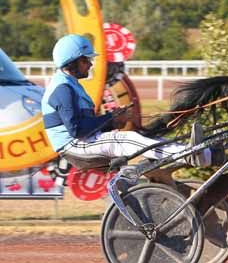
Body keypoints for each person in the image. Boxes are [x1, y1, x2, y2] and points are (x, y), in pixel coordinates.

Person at [41, 34, 214, 167]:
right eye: (86, 59)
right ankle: (190, 154)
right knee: (129, 139)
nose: (91, 64)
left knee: (139, 138)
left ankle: (202, 153)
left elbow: (86, 124)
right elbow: (77, 130)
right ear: (73, 62)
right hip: (74, 146)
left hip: (83, 142)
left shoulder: (71, 85)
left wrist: (113, 118)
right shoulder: (62, 88)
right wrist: (112, 119)